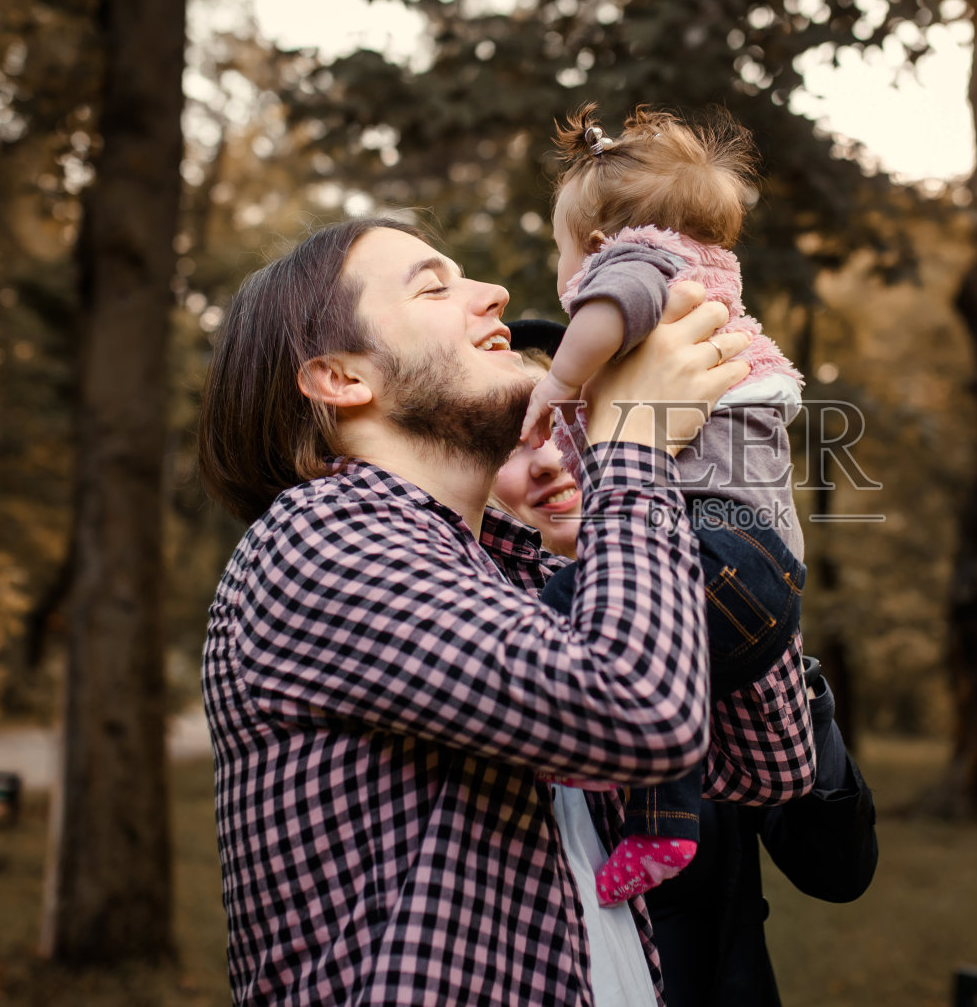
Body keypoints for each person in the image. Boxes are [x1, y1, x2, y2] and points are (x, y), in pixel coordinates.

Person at [194, 217, 815, 1007]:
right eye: (434, 287)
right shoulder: (318, 540)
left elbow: (766, 763)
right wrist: (635, 443)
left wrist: (715, 467)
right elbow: (637, 711)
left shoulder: (514, 576)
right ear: (342, 378)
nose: (493, 294)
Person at [496, 322, 878, 1007]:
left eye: (572, 423)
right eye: (513, 443)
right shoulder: (480, 647)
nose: (550, 459)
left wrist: (784, 662)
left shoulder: (722, 616)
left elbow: (837, 869)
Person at [518, 104, 810, 907]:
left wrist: (561, 379)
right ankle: (661, 826)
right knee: (661, 649)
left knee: (572, 604)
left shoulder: (641, 264)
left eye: (560, 251)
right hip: (764, 571)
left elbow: (610, 305)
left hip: (717, 548)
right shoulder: (711, 280)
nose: (567, 272)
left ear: (596, 244)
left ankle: (580, 736)